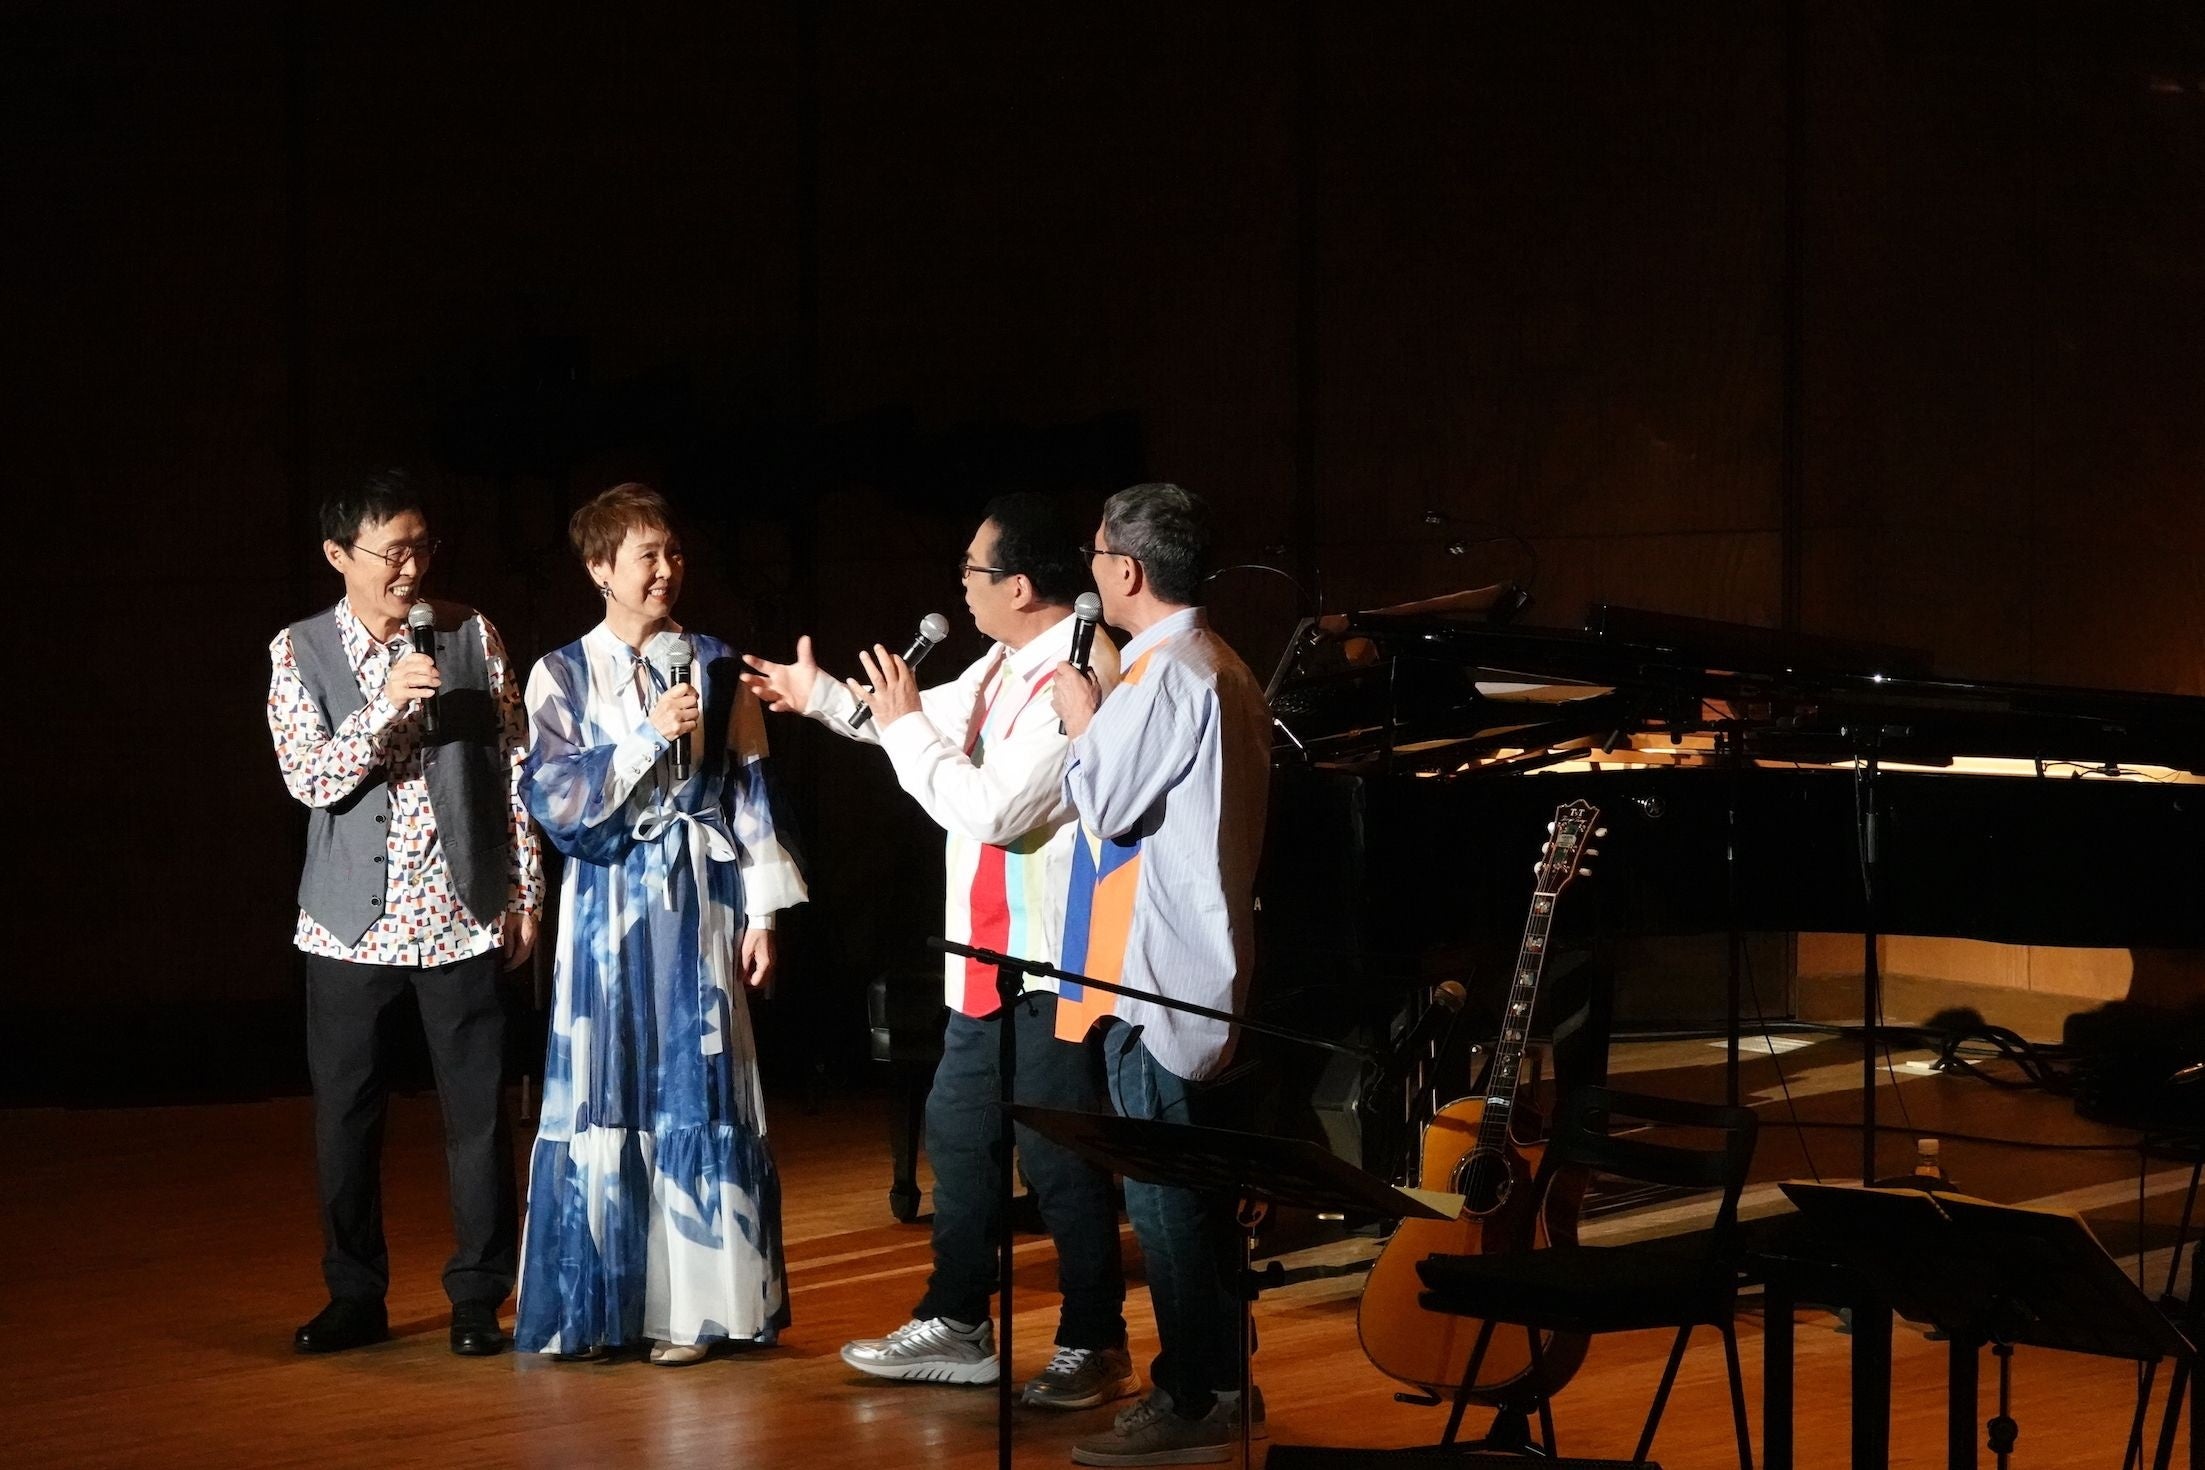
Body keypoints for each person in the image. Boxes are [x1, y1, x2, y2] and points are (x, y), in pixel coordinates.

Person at [741, 493, 1137, 1409]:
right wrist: (821, 698)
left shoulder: (1079, 671)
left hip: (1052, 960)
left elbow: (992, 808)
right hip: (986, 957)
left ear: (1020, 586)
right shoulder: (1001, 664)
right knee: (960, 1137)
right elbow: (916, 720)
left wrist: (900, 723)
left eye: (973, 570)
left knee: (1057, 1159)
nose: (960, 586)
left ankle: (1094, 1340)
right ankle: (958, 1322)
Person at [513, 483, 806, 1366]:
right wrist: (646, 734)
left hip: (699, 894)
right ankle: (600, 1304)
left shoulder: (713, 662)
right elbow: (555, 798)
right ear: (599, 569)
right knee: (608, 1083)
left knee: (696, 1081)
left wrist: (762, 912)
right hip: (606, 905)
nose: (666, 570)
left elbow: (750, 788)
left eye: (673, 552)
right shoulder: (562, 672)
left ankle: (695, 1312)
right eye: (647, 555)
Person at [267, 469, 543, 1358]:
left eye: (421, 548)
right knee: (346, 1117)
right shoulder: (297, 649)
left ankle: (478, 1297)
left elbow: (516, 767)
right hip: (348, 925)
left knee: (476, 1115)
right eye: (392, 552)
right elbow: (308, 778)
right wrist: (384, 705)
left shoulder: (471, 633)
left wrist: (524, 892)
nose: (411, 569)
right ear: (338, 555)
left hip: (461, 911)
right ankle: (355, 1295)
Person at [1048, 483, 1274, 1466]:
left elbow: (1103, 806)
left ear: (1127, 570)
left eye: (1096, 556)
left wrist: (1080, 718)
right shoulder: (1217, 663)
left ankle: (1195, 1395)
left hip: (1163, 979)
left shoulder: (1166, 677)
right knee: (1191, 1196)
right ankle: (1218, 1381)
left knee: (1169, 1200)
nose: (1091, 572)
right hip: (1190, 967)